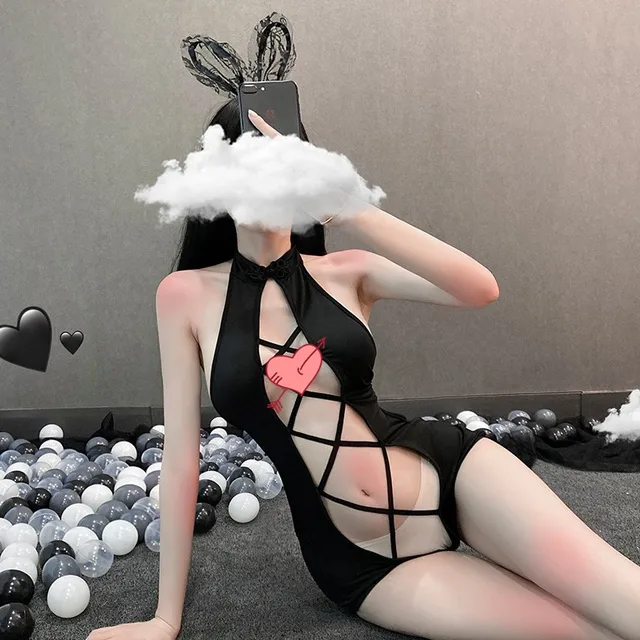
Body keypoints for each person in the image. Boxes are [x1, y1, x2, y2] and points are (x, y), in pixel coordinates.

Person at [87, 99, 640, 640]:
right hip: (360, 563)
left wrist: (349, 210)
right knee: (581, 633)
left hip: (452, 472)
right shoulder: (183, 295)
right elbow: (182, 460)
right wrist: (165, 620)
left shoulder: (348, 271)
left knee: (627, 601)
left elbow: (480, 288)